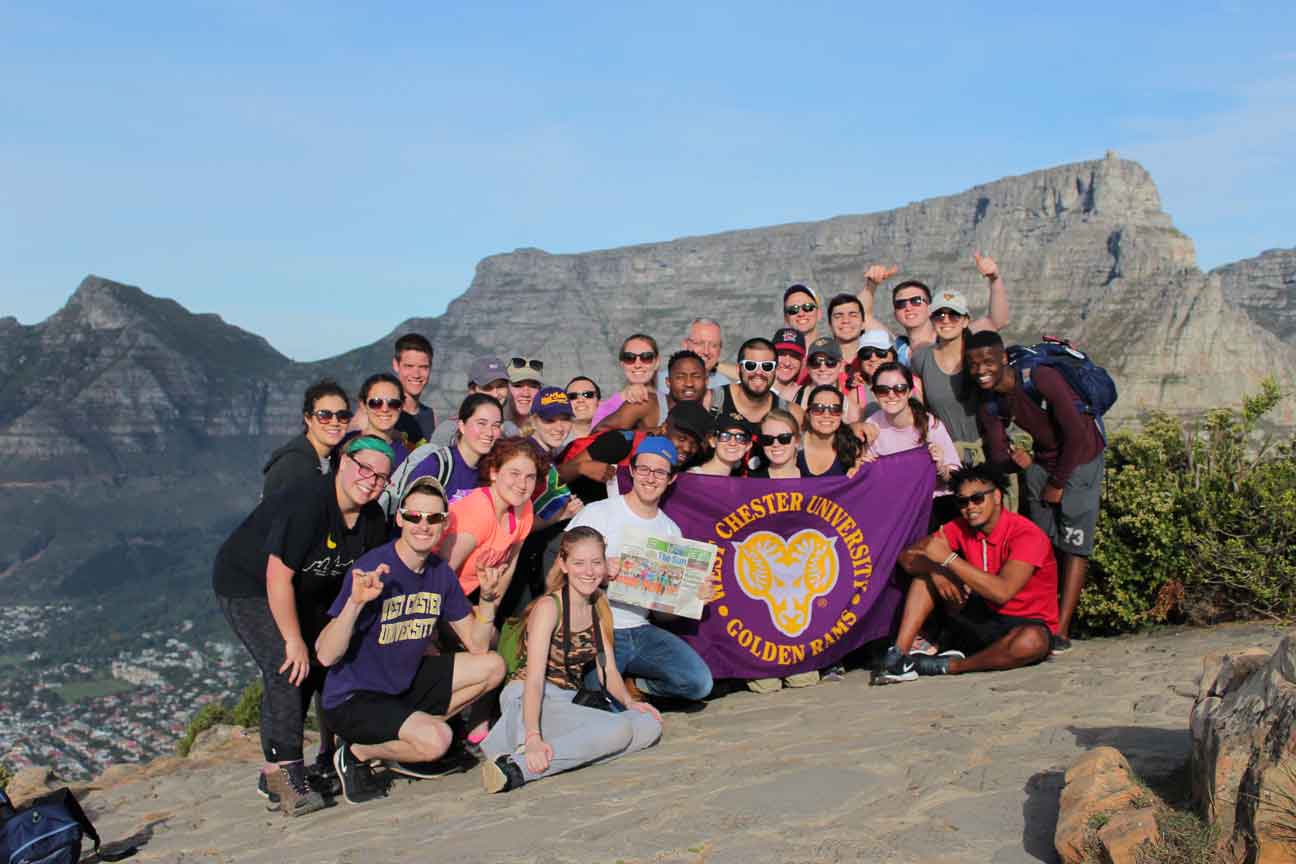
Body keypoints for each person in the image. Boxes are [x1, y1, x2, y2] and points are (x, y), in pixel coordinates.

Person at [213, 435, 393, 815]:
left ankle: (328, 756)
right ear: (343, 462)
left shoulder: (372, 519)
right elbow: (277, 577)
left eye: (381, 477)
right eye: (364, 469)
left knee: (328, 664)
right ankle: (287, 773)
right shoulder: (309, 504)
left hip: (309, 589)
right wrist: (294, 640)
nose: (371, 481)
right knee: (288, 666)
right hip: (248, 583)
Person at [316, 477, 506, 804]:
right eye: (415, 516)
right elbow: (325, 655)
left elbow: (478, 647)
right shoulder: (373, 568)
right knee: (438, 741)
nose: (424, 525)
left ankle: (410, 736)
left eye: (434, 518)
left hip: (401, 687)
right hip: (354, 699)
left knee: (493, 666)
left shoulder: (439, 573)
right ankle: (356, 752)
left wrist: (487, 600)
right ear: (400, 518)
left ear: (444, 524)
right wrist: (355, 602)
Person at [479, 526, 662, 793]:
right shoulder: (549, 607)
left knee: (648, 726)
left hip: (567, 700)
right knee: (619, 731)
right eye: (579, 563)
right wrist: (532, 736)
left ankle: (564, 756)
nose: (589, 571)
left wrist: (630, 701)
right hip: (530, 699)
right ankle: (517, 769)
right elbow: (533, 680)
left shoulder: (597, 602)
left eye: (596, 562)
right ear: (563, 564)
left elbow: (607, 668)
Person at [967, 330, 1105, 654]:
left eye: (988, 361)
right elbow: (999, 455)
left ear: (1003, 359)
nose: (981, 370)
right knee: (1040, 541)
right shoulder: (990, 402)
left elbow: (1077, 436)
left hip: (1082, 457)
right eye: (973, 364)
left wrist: (1056, 484)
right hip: (1043, 458)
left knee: (1073, 542)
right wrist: (1017, 463)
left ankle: (1061, 629)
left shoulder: (1040, 377)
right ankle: (1039, 617)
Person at [567, 437, 714, 703]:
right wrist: (598, 571)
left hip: (642, 630)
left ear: (671, 479)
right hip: (600, 628)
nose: (650, 478)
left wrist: (692, 597)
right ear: (632, 470)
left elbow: (663, 613)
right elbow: (558, 572)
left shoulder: (670, 530)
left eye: (660, 472)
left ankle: (637, 687)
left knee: (699, 683)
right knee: (598, 700)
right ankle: (615, 694)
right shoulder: (599, 512)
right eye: (644, 469)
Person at [877, 463, 1056, 683]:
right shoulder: (959, 526)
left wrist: (948, 560)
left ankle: (952, 665)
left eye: (977, 498)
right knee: (924, 579)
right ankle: (898, 658)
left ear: (997, 497)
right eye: (962, 501)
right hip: (981, 617)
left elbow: (1002, 592)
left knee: (1032, 642)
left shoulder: (1027, 534)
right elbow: (906, 557)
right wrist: (936, 570)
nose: (970, 506)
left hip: (1025, 623)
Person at [441, 436, 543, 603]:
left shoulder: (524, 507)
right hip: (440, 595)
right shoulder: (479, 512)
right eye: (514, 473)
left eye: (530, 477)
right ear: (494, 472)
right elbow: (442, 574)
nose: (522, 484)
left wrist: (488, 615)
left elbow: (508, 568)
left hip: (471, 595)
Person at [857, 255, 1009, 367]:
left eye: (916, 301)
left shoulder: (952, 334)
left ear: (930, 308)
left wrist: (994, 279)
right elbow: (863, 318)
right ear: (895, 313)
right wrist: (871, 285)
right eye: (901, 304)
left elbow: (996, 322)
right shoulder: (897, 347)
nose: (908, 307)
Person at [862, 363, 962, 524]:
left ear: (909, 391)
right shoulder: (872, 425)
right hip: (895, 507)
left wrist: (941, 468)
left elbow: (956, 475)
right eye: (883, 390)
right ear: (874, 394)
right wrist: (863, 464)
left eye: (899, 388)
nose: (891, 395)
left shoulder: (931, 424)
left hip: (934, 505)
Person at [560, 399, 711, 505]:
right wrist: (582, 468)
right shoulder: (620, 442)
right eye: (682, 438)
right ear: (664, 428)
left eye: (694, 443)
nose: (687, 448)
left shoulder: (688, 458)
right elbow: (555, 477)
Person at [386, 392, 503, 508]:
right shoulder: (437, 465)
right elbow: (411, 515)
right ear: (462, 426)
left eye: (496, 425)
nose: (489, 433)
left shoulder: (491, 472)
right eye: (481, 423)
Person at [262, 379, 351, 498]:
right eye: (324, 415)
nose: (335, 422)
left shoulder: (334, 461)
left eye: (342, 416)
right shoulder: (293, 466)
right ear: (308, 419)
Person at [595, 350, 707, 432]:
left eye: (696, 376)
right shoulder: (646, 404)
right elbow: (598, 432)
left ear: (706, 381)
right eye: (680, 377)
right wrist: (653, 432)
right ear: (668, 382)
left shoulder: (712, 411)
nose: (689, 383)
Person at [426, 356, 509, 447]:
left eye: (501, 386)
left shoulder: (511, 430)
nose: (495, 394)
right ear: (472, 390)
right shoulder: (448, 431)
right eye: (487, 387)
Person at [711, 337, 793, 427]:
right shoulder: (711, 401)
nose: (758, 372)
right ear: (739, 369)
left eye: (767, 366)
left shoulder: (790, 413)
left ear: (775, 370)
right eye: (750, 365)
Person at [589, 335, 660, 429]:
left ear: (657, 362)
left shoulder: (669, 400)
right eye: (629, 358)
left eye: (646, 357)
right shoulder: (606, 408)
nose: (638, 364)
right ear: (622, 364)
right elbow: (594, 441)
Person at [343, 373, 413, 468]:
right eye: (376, 403)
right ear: (363, 405)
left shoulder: (407, 459)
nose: (384, 409)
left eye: (393, 403)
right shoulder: (341, 443)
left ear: (402, 406)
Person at [798, 385, 863, 478]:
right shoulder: (792, 444)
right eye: (818, 408)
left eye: (834, 409)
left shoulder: (853, 447)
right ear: (808, 413)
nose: (826, 414)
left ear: (841, 414)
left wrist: (861, 469)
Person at [656, 318, 730, 390]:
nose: (706, 351)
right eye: (699, 343)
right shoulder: (657, 384)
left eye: (714, 345)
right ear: (685, 345)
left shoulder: (724, 385)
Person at [845, 330, 898, 422]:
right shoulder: (856, 393)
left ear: (893, 355)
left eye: (880, 352)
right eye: (866, 354)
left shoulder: (914, 383)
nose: (873, 358)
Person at [391, 334, 436, 443]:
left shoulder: (429, 415)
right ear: (396, 365)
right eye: (409, 366)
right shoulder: (385, 412)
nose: (416, 374)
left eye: (423, 367)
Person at [688, 413, 755, 477]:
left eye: (740, 437)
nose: (733, 443)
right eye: (725, 436)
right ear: (712, 441)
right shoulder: (692, 477)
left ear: (748, 445)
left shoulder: (738, 482)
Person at [793, 337, 845, 411]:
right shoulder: (792, 397)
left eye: (830, 362)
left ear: (841, 365)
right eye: (815, 362)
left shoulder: (850, 409)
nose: (822, 368)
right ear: (807, 365)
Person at [748, 409, 801, 479]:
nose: (775, 444)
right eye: (767, 439)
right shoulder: (752, 482)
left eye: (784, 438)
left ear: (797, 441)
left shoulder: (812, 480)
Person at [504, 356, 544, 436]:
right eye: (518, 385)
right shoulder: (492, 430)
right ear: (505, 388)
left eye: (533, 386)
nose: (526, 394)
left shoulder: (547, 433)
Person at [826, 294, 866, 369]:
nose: (845, 320)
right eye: (838, 316)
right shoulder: (819, 364)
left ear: (863, 323)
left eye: (853, 315)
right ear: (830, 325)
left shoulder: (874, 360)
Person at [771, 327, 806, 402]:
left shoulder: (807, 396)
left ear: (802, 362)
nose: (787, 363)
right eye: (782, 354)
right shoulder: (753, 389)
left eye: (794, 356)